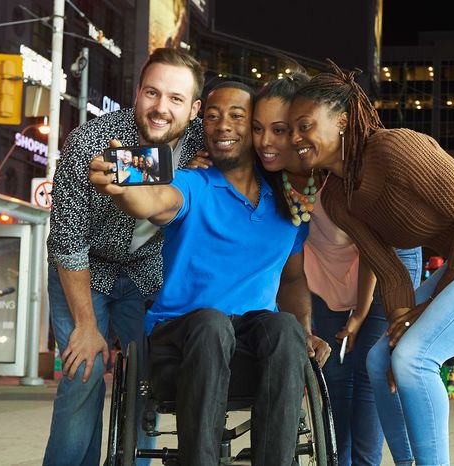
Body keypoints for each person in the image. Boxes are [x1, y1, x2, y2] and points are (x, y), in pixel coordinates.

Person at [289, 61, 454, 466]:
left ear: (342, 121)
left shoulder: (393, 148)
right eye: (289, 129)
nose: (294, 137)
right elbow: (390, 270)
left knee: (414, 357)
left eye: (304, 125)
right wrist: (400, 323)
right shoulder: (337, 198)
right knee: (381, 358)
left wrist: (420, 318)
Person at [89, 81, 331, 466]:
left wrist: (305, 329)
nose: (223, 126)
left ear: (255, 128)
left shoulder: (289, 203)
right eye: (213, 117)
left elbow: (292, 279)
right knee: (212, 323)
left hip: (254, 343)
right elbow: (154, 199)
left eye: (237, 117)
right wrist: (118, 182)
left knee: (284, 328)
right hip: (181, 339)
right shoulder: (193, 182)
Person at [189, 72, 422, 466]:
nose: (268, 141)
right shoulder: (269, 172)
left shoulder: (331, 166)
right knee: (332, 375)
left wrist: (362, 312)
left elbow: (374, 250)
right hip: (325, 269)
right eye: (259, 129)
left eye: (280, 130)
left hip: (383, 262)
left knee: (373, 371)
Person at [43, 47, 205, 466]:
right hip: (84, 267)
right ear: (137, 93)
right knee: (85, 371)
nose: (160, 108)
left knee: (148, 381)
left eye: (175, 99)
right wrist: (85, 325)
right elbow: (67, 240)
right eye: (152, 93)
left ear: (194, 108)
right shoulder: (89, 142)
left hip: (148, 273)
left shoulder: (208, 144)